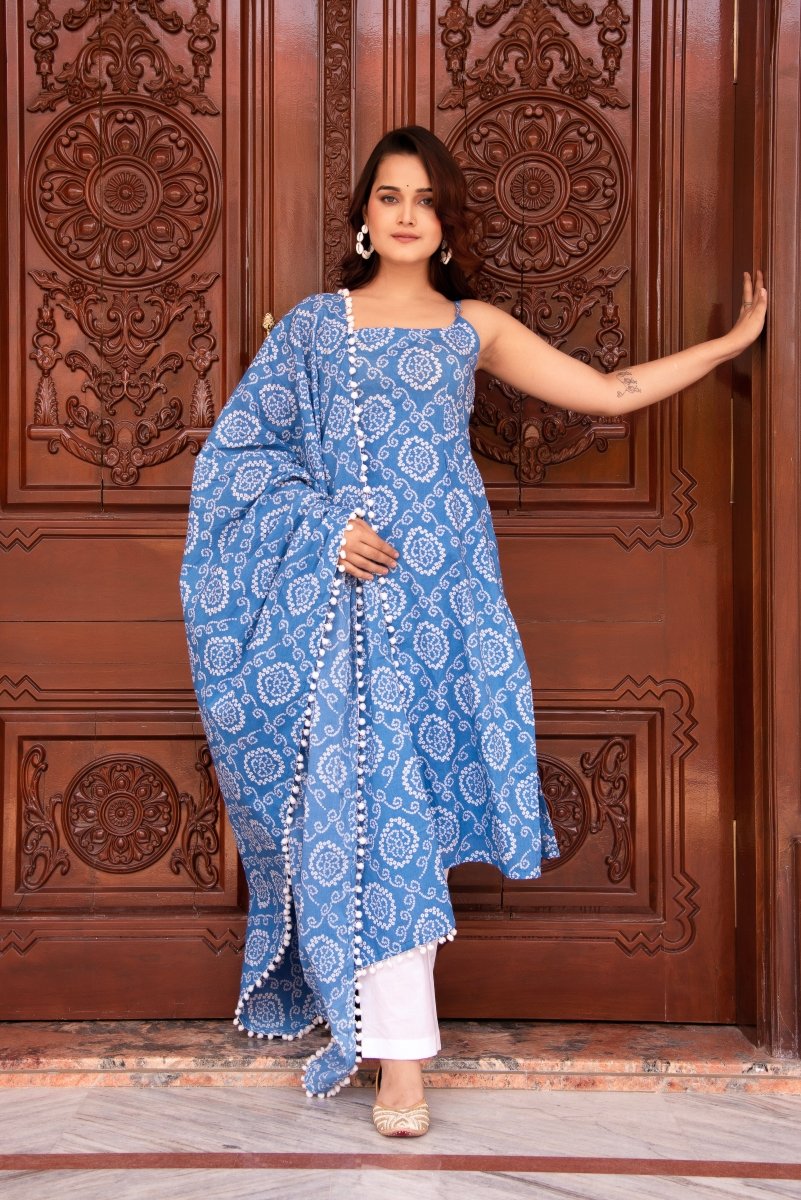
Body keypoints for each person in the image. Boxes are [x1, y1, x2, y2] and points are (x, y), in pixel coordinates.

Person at [179, 125, 767, 1138]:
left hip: (446, 603)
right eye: (390, 196)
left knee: (404, 809)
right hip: (341, 607)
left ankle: (387, 1040)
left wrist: (725, 347)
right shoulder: (316, 329)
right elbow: (235, 461)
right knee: (374, 809)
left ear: (447, 224)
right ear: (363, 217)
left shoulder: (472, 327)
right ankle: (402, 1065)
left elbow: (605, 391)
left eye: (425, 200)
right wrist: (324, 532)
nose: (406, 214)